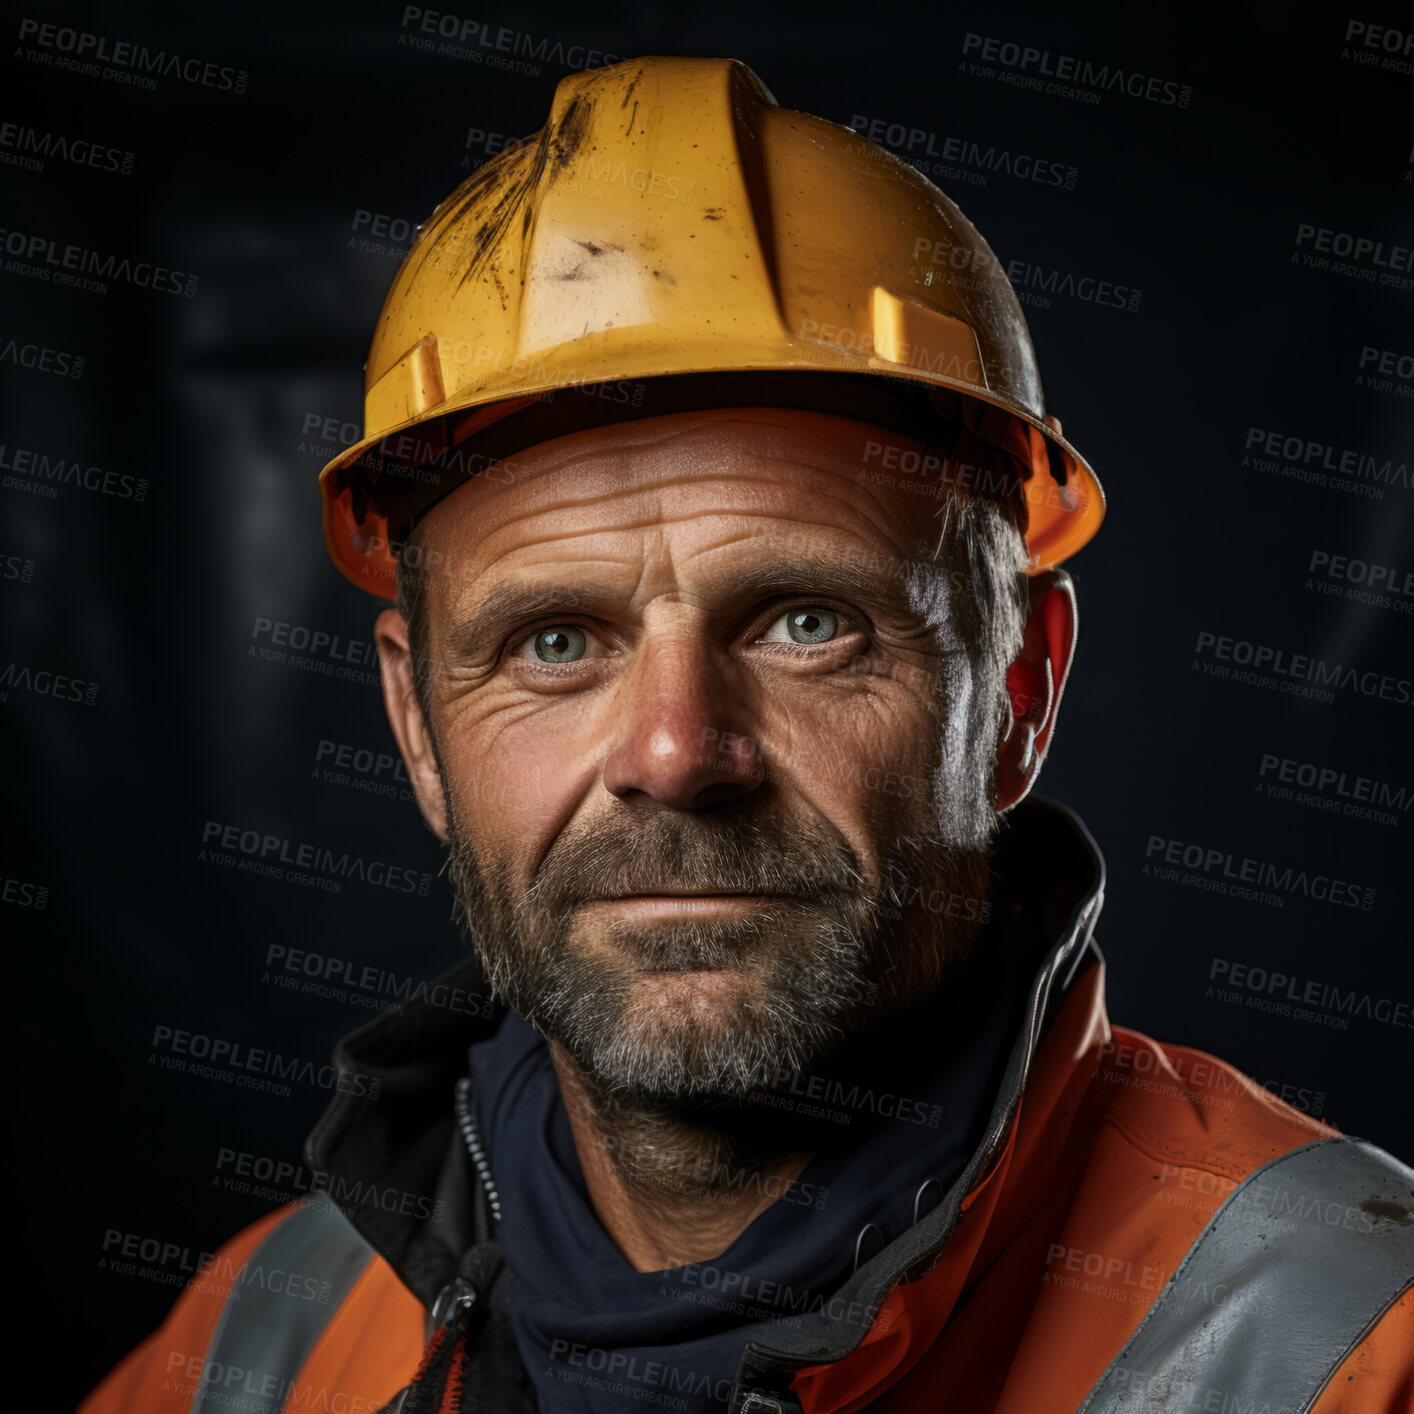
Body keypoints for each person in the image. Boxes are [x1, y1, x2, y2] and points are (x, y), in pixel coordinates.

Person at [81, 55, 1412, 1414]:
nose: (673, 752)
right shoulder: (255, 1351)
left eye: (802, 621)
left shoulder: (1353, 1351)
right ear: (417, 726)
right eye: (554, 641)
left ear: (1015, 690)